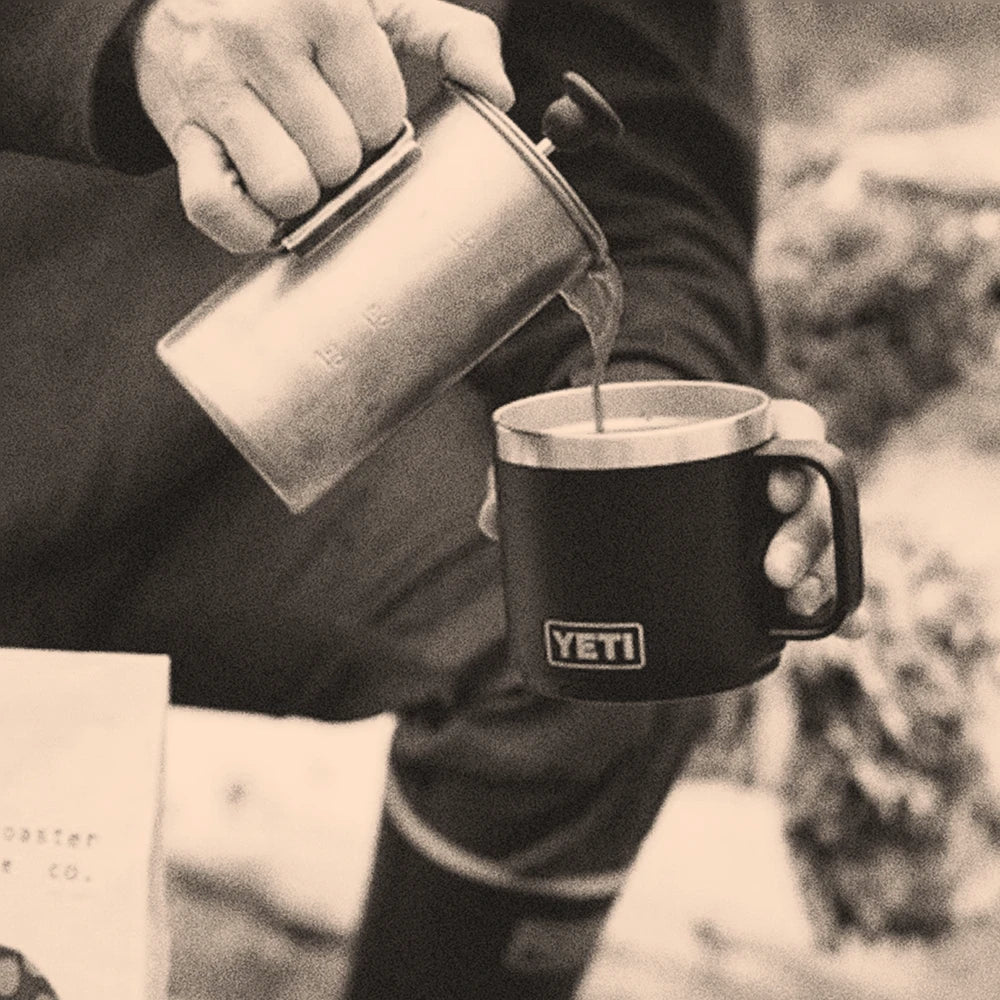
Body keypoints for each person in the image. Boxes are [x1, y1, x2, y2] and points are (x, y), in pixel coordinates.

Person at [0, 1, 844, 997]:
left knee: (610, 611)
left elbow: (641, 167)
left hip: (235, 441)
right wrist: (120, 30)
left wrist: (657, 422)